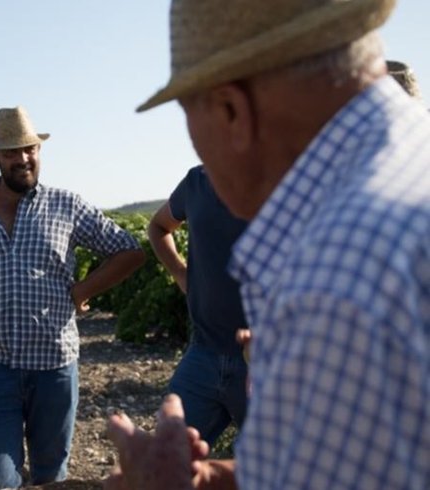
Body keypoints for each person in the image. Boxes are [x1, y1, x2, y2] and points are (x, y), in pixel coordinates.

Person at [107, 0, 429, 489]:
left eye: (189, 117)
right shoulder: (406, 171)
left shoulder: (338, 269)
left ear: (232, 110)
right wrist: (206, 477)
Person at [0, 106, 146, 490]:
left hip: (55, 368)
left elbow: (130, 251)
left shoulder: (66, 205)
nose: (23, 158)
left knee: (49, 478)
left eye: (30, 149)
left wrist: (82, 290)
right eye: (12, 152)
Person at [148, 166, 249, 447]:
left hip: (264, 364)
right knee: (166, 459)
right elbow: (158, 227)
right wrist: (180, 273)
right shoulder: (198, 181)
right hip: (203, 353)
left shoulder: (283, 182)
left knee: (275, 474)